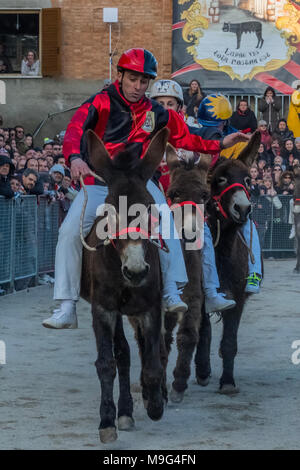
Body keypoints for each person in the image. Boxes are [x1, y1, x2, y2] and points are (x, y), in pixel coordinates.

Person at [42, 48, 249, 329]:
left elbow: (187, 137)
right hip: (101, 184)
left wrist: (222, 143)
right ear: (121, 76)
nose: (138, 87)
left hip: (141, 185)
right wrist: (75, 158)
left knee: (168, 223)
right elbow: (75, 131)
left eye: (144, 81)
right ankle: (66, 306)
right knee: (68, 232)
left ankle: (171, 292)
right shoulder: (100, 103)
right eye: (133, 79)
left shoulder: (156, 111)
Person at [149, 79, 236, 314]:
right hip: (154, 199)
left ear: (180, 108)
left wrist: (198, 156)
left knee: (205, 237)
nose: (166, 108)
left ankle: (211, 292)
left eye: (171, 103)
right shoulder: (144, 134)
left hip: (185, 203)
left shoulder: (189, 132)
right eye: (160, 103)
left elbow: (209, 143)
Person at [197, 93, 263, 293]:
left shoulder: (239, 141)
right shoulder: (198, 135)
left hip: (228, 194)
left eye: (215, 125)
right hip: (203, 193)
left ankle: (254, 271)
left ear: (224, 122)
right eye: (206, 124)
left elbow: (241, 169)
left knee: (247, 224)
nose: (210, 130)